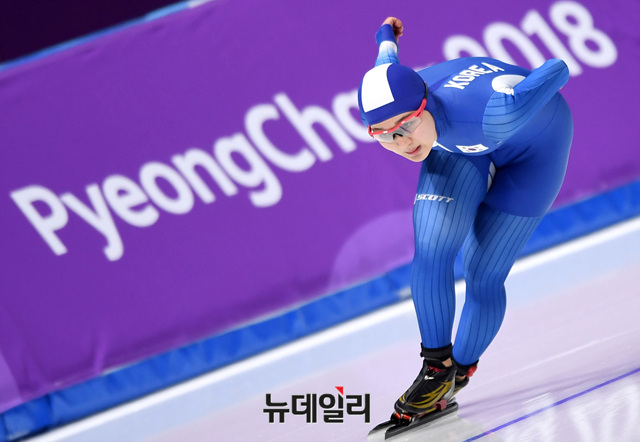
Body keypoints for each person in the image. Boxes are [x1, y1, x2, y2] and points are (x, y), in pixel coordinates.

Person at [358, 17, 573, 426]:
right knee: (432, 247)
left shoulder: (496, 114)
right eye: (384, 135)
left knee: (483, 272)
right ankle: (435, 369)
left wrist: (523, 90)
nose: (401, 143)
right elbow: (386, 59)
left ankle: (459, 372)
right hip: (456, 142)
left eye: (405, 127)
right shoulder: (401, 98)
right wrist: (387, 33)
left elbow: (557, 69)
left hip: (533, 147)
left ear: (423, 105)